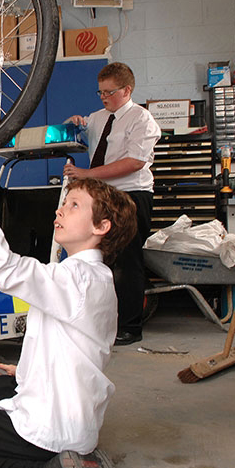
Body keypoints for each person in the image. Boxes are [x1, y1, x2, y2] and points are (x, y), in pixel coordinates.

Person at [0, 132, 137, 468]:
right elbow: (66, 344)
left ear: (101, 227)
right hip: (53, 400)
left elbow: (0, 266)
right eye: (64, 202)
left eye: (74, 206)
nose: (60, 210)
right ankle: (9, 422)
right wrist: (25, 371)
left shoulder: (81, 280)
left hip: (53, 427)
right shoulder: (84, 275)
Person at [63, 62, 160, 345]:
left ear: (126, 90)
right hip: (104, 196)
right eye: (100, 92)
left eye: (109, 92)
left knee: (127, 263)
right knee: (99, 260)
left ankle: (130, 327)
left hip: (131, 195)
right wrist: (77, 123)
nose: (104, 97)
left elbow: (134, 162)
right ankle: (100, 322)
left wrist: (87, 175)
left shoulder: (141, 120)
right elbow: (82, 133)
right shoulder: (98, 117)